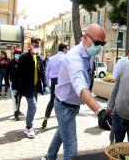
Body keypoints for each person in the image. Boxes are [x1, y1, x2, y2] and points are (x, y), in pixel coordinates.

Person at [43, 24, 110, 160]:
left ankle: (49, 157)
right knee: (71, 149)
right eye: (97, 43)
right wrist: (99, 111)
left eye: (102, 43)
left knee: (61, 134)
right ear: (85, 38)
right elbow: (81, 87)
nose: (99, 47)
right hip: (64, 107)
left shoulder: (88, 55)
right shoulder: (74, 57)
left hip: (72, 106)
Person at [15, 37, 49, 138]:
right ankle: (29, 127)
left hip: (35, 87)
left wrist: (46, 85)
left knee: (32, 107)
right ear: (31, 45)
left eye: (38, 46)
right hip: (26, 86)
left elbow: (42, 73)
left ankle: (29, 125)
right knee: (33, 106)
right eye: (35, 45)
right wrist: (15, 87)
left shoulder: (39, 58)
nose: (37, 47)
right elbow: (18, 73)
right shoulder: (23, 57)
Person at [42, 43, 68, 129]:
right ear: (64, 49)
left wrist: (47, 83)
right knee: (62, 101)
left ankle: (46, 118)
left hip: (53, 81)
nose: (67, 50)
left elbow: (46, 73)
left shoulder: (51, 59)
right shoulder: (66, 58)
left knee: (52, 100)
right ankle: (61, 121)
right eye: (66, 48)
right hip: (62, 81)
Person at [5, 48, 23, 120]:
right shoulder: (10, 63)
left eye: (19, 53)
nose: (17, 55)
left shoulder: (22, 63)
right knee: (15, 99)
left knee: (20, 98)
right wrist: (7, 85)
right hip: (13, 84)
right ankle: (16, 113)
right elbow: (6, 75)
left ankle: (18, 110)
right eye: (16, 53)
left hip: (21, 84)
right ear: (14, 54)